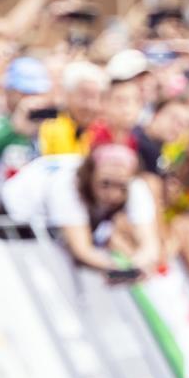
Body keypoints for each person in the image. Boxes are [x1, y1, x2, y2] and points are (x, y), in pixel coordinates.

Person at [46, 143, 160, 279]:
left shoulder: (135, 186)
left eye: (121, 187)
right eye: (105, 183)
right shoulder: (68, 183)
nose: (113, 194)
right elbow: (82, 250)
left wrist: (136, 266)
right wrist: (123, 269)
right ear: (90, 174)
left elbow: (150, 245)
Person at [39, 60, 109, 156]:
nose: (90, 105)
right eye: (84, 96)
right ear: (67, 95)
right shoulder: (48, 125)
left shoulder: (105, 131)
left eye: (94, 97)